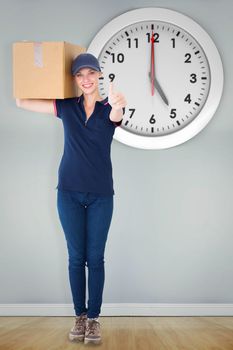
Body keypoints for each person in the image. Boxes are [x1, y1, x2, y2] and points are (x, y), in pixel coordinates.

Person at [15, 52, 127, 345]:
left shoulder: (109, 110)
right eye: (79, 74)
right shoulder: (66, 107)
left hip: (102, 195)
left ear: (99, 75)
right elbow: (21, 102)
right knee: (76, 258)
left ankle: (94, 320)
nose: (86, 79)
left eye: (91, 73)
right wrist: (38, 71)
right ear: (74, 79)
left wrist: (117, 105)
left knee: (96, 258)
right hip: (68, 193)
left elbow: (117, 116)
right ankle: (79, 316)